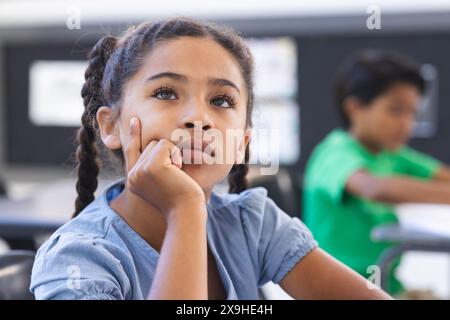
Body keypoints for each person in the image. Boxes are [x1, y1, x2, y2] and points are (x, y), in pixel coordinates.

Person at [30, 19, 389, 300]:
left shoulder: (252, 223)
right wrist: (184, 210)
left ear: (242, 141)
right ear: (111, 126)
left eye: (221, 101)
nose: (198, 118)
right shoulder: (79, 259)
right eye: (166, 92)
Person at [303, 49, 450, 295]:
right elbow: (374, 189)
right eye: (396, 110)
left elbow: (441, 175)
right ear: (355, 108)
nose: (407, 123)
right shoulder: (334, 152)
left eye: (412, 113)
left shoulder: (391, 154)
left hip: (386, 285)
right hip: (342, 291)